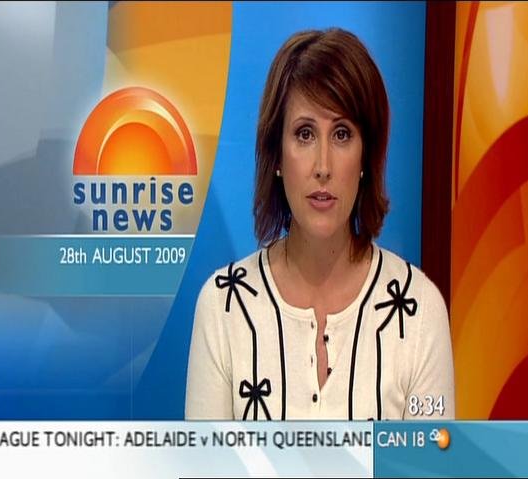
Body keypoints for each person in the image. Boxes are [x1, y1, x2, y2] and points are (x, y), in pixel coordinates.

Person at [185, 28, 454, 420]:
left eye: (342, 134)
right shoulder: (224, 307)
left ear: (366, 156)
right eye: (305, 134)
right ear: (277, 155)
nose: (323, 166)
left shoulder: (420, 311)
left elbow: (434, 454)